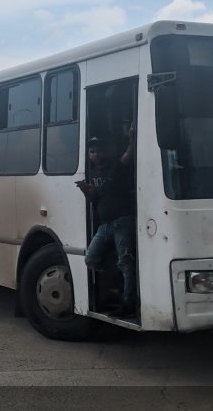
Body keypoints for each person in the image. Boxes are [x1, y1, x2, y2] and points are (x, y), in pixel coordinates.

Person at [76, 128, 136, 318]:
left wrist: (132, 137)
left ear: (105, 151)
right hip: (105, 225)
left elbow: (128, 155)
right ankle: (120, 280)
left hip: (121, 222)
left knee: (126, 262)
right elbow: (95, 197)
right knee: (91, 259)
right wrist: (86, 190)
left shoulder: (115, 167)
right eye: (92, 151)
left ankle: (128, 303)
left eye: (98, 150)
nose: (95, 154)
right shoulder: (93, 172)